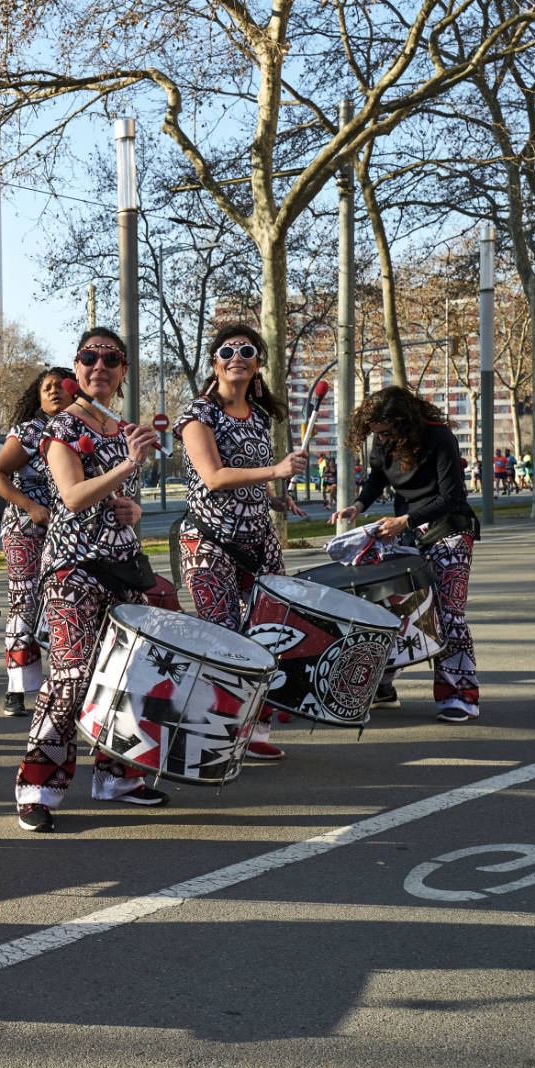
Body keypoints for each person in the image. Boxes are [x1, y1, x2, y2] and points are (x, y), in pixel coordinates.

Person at [15, 327, 163, 833]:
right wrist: (128, 466)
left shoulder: (125, 428)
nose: (99, 366)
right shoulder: (60, 427)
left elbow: (117, 501)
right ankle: (37, 788)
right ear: (76, 370)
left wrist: (133, 507)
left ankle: (116, 776)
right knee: (72, 677)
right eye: (88, 358)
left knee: (122, 676)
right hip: (72, 570)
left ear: (122, 372)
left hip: (120, 566)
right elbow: (74, 497)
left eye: (111, 359)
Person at [175, 323, 306, 762]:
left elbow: (248, 479)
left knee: (268, 636)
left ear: (258, 364)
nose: (237, 356)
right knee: (225, 639)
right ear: (214, 363)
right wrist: (276, 472)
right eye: (226, 350)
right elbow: (212, 477)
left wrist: (276, 498)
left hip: (260, 542)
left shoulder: (261, 416)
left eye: (246, 350)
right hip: (210, 544)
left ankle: (256, 730)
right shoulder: (197, 414)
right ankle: (216, 734)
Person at [332, 385, 481, 723]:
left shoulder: (439, 438)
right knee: (390, 608)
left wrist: (406, 520)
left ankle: (461, 696)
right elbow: (376, 480)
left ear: (405, 423)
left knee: (448, 615)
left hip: (449, 529)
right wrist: (356, 506)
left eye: (385, 432)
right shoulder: (381, 438)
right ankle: (382, 687)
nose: (381, 439)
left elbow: (452, 496)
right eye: (376, 434)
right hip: (408, 530)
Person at [0, 367, 73, 716]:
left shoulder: (82, 429)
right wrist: (32, 507)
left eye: (60, 386)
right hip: (26, 528)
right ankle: (17, 688)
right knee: (26, 602)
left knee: (65, 602)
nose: (53, 392)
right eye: (45, 388)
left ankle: (64, 683)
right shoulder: (29, 432)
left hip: (68, 530)